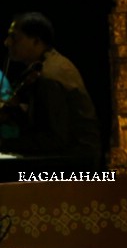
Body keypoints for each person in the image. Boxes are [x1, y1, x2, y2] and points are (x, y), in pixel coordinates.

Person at [0, 12, 102, 168]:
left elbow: (54, 140)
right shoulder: (46, 64)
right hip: (70, 157)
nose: (7, 43)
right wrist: (15, 111)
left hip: (75, 166)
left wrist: (5, 144)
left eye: (14, 37)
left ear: (36, 41)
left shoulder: (50, 76)